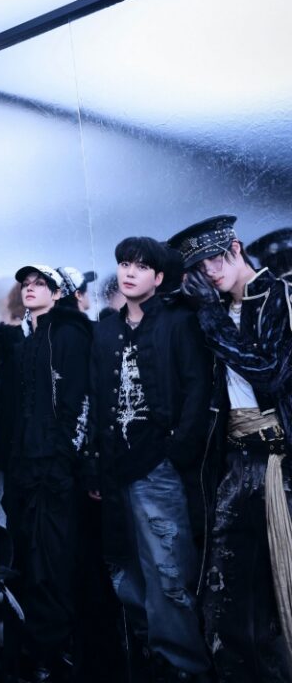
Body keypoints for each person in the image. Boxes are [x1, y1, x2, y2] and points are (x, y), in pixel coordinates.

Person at [171, 215, 292, 682]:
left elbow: (270, 372)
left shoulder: (279, 296)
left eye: (214, 261)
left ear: (235, 249)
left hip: (280, 462)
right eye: (198, 269)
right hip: (235, 460)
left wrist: (211, 316)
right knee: (228, 597)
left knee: (281, 587)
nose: (209, 273)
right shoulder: (213, 308)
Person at [86, 237, 212, 683]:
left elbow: (197, 389)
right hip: (115, 466)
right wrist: (95, 465)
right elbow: (96, 399)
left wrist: (176, 452)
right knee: (125, 568)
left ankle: (184, 667)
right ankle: (151, 659)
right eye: (124, 263)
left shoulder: (178, 323)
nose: (129, 272)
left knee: (168, 570)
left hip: (159, 466)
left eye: (140, 266)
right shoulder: (105, 331)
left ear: (158, 277)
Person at [0, 264, 91, 682]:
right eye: (26, 284)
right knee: (29, 561)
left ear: (57, 292)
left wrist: (64, 457)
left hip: (55, 468)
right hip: (25, 468)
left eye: (40, 284)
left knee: (53, 559)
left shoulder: (68, 334)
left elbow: (79, 399)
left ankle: (55, 652)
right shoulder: (26, 339)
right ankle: (38, 650)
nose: (30, 289)